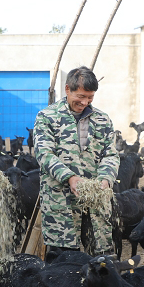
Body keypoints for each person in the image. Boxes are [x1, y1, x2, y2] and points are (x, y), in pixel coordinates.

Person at [33, 66, 120, 256]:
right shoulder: (47, 117)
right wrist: (70, 178)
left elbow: (111, 155)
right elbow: (44, 153)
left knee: (102, 261)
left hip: (95, 203)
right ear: (67, 89)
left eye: (90, 98)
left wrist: (105, 179)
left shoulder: (102, 120)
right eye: (80, 96)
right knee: (62, 262)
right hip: (61, 204)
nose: (84, 102)